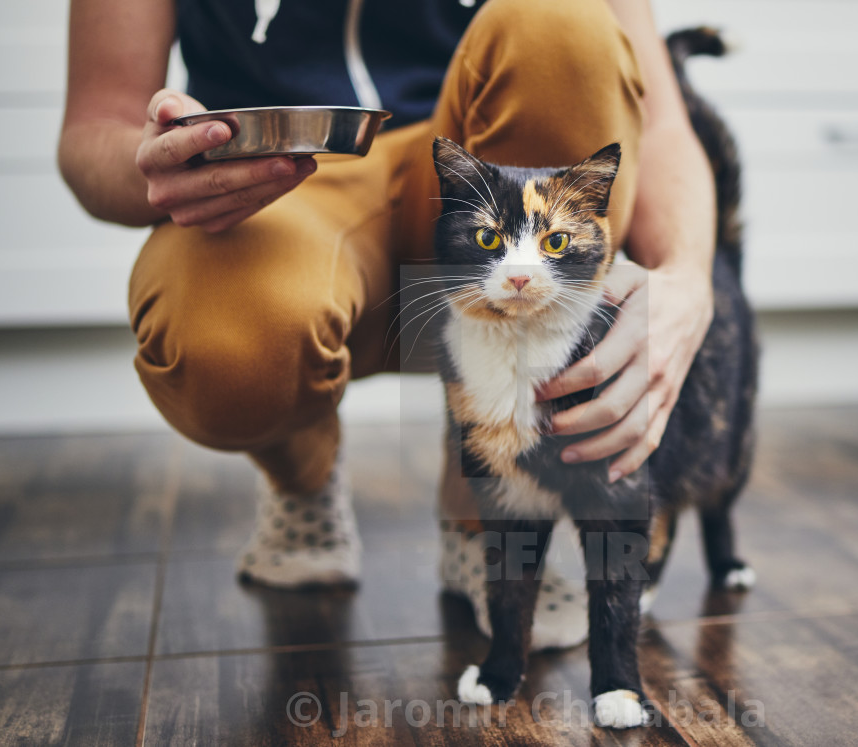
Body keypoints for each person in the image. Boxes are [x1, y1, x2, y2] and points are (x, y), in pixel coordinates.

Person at [59, 0, 715, 649]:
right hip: (277, 180)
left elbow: (656, 124)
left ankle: (482, 504)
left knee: (563, 24)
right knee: (227, 352)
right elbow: (96, 127)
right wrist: (161, 161)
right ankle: (302, 475)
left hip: (483, 169)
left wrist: (687, 278)